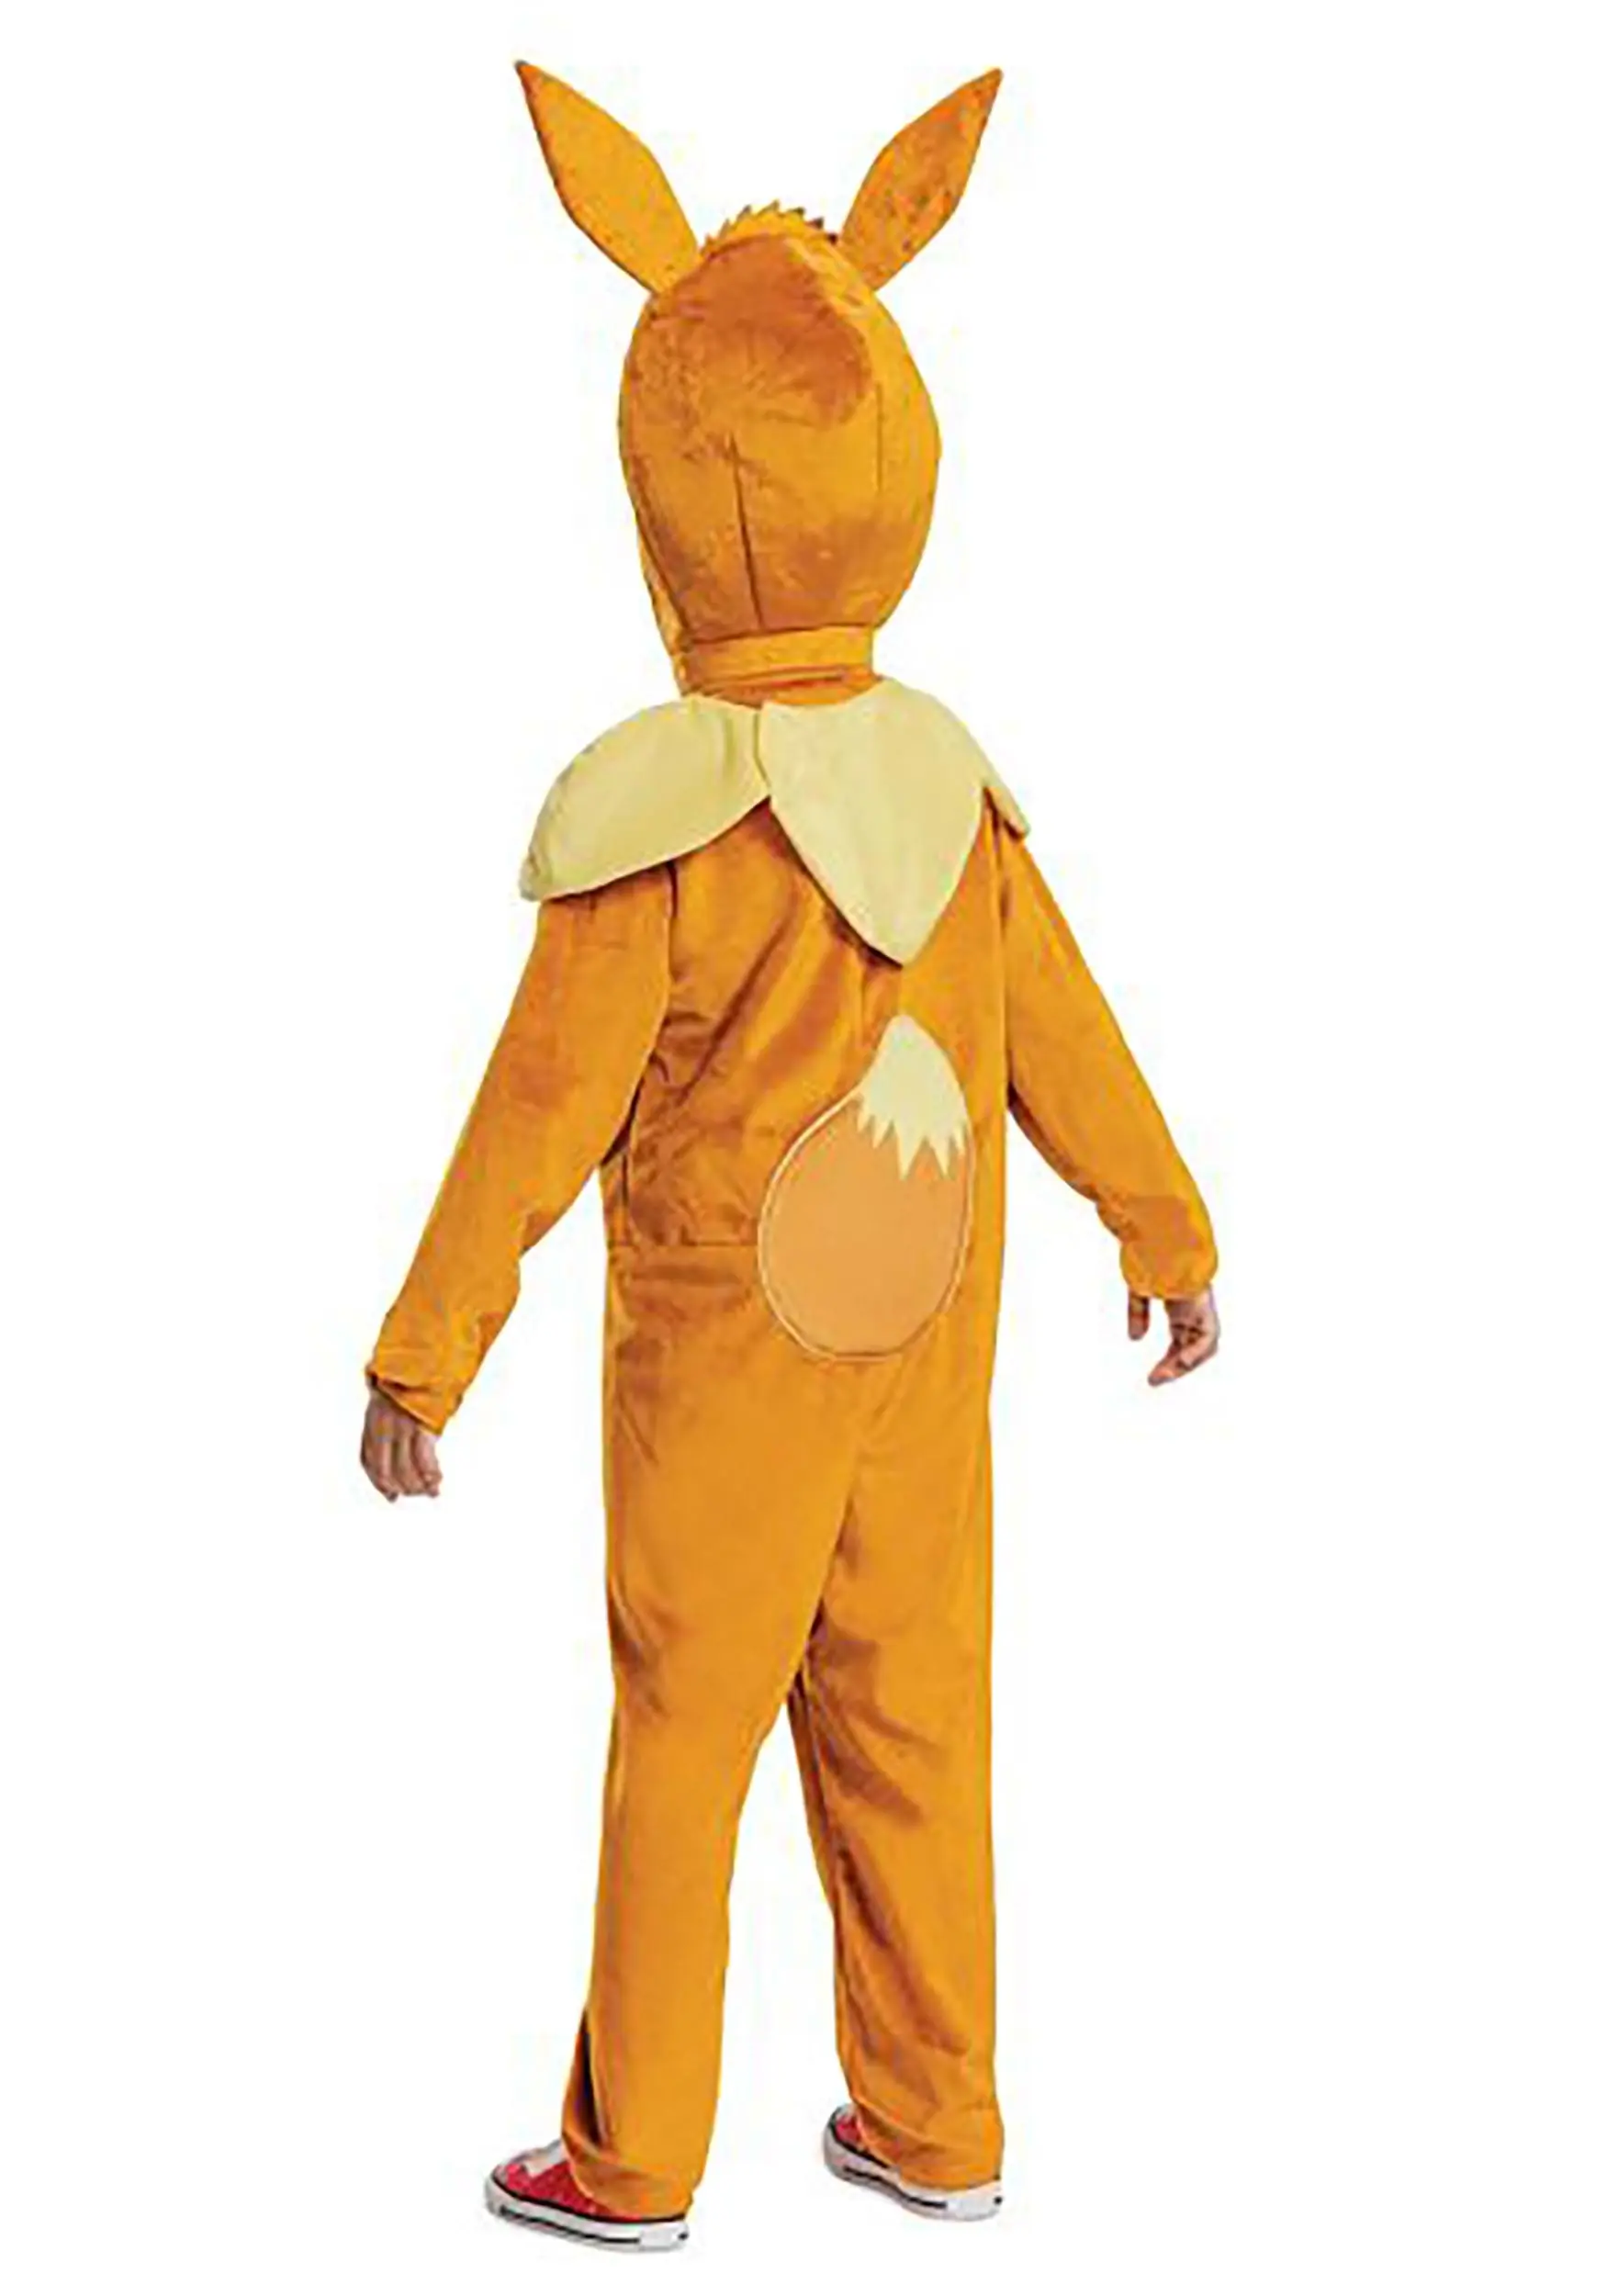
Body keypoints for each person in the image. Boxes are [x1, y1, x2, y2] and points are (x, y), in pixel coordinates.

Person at [361, 62, 1219, 2253]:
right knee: (916, 1716)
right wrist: (1164, 1228)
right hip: (917, 1358)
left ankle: (631, 2154)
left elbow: (534, 1114)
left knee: (682, 1733)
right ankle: (935, 2116)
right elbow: (1071, 1044)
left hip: (720, 1376)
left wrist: (422, 1353)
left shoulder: (652, 823)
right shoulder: (957, 792)